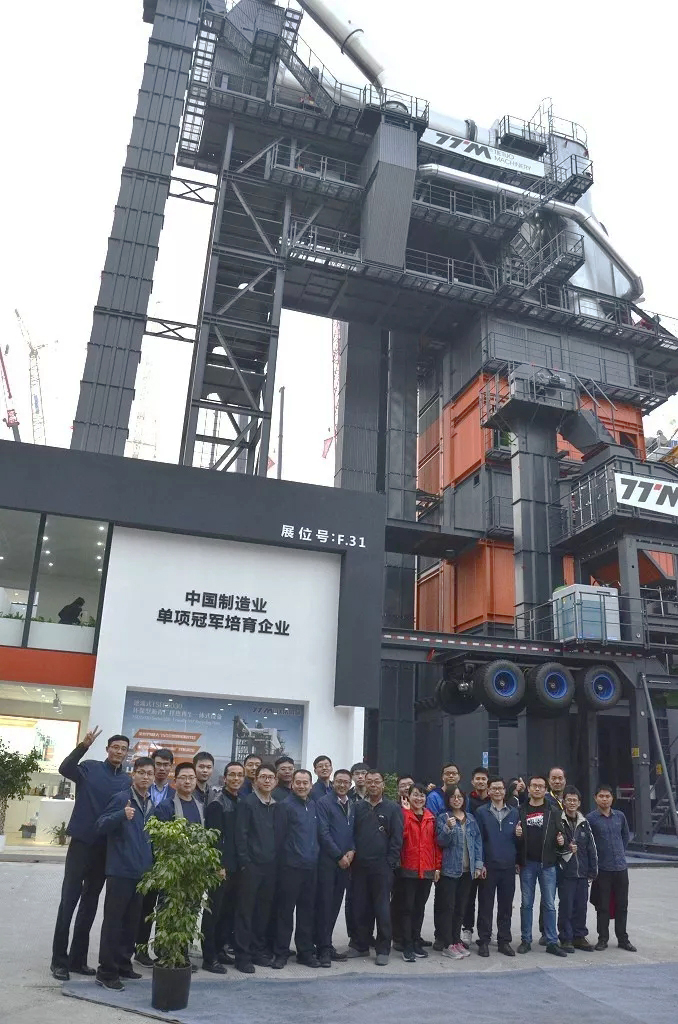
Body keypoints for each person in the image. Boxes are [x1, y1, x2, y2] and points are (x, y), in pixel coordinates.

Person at [50, 728, 131, 982]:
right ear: (107, 749)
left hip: (105, 848)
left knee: (90, 904)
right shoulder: (90, 768)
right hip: (82, 844)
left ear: (126, 754)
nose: (119, 752)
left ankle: (77, 960)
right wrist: (83, 746)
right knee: (69, 902)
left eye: (123, 749)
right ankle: (58, 961)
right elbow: (65, 768)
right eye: (115, 747)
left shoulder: (126, 781)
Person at [94, 757, 156, 991]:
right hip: (120, 871)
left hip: (140, 873)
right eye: (141, 772)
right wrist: (121, 814)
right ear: (133, 774)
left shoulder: (149, 803)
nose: (145, 777)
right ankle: (106, 972)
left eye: (149, 773)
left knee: (131, 923)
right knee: (114, 923)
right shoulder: (122, 799)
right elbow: (100, 825)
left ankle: (123, 964)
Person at [346, 770, 403, 966]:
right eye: (369, 782)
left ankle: (383, 948)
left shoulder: (392, 808)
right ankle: (360, 944)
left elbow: (397, 838)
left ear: (383, 785)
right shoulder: (358, 807)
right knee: (360, 906)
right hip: (360, 865)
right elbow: (351, 833)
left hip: (382, 866)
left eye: (376, 782)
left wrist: (390, 862)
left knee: (382, 908)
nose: (372, 785)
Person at [515, 774, 567, 957]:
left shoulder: (553, 811)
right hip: (527, 864)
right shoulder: (520, 810)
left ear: (546, 790)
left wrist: (562, 840)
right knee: (526, 904)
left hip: (548, 864)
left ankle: (552, 941)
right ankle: (526, 940)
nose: (537, 789)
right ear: (529, 789)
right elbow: (514, 838)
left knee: (549, 904)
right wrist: (517, 835)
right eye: (534, 786)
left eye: (540, 786)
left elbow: (562, 834)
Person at [273, 769, 321, 969]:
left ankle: (305, 952)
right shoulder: (285, 806)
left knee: (306, 912)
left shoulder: (314, 805)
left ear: (311, 785)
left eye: (305, 783)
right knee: (285, 912)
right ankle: (281, 953)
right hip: (290, 868)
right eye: (298, 782)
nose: (301, 786)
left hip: (311, 867)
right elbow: (279, 838)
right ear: (292, 784)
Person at [233, 763, 278, 973]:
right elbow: (240, 835)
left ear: (275, 781)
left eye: (270, 777)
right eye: (263, 777)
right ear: (255, 780)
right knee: (245, 912)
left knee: (263, 912)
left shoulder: (276, 805)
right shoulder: (247, 803)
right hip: (251, 867)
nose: (267, 780)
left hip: (270, 867)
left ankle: (258, 951)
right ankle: (242, 956)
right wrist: (245, 863)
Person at [202, 761, 244, 974]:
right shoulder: (217, 804)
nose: (236, 778)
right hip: (221, 867)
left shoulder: (240, 801)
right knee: (213, 912)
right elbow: (213, 839)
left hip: (236, 866)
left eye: (240, 775)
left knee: (228, 911)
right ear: (225, 778)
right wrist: (218, 865)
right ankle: (209, 957)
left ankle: (220, 949)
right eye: (232, 775)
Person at [135, 747, 175, 964]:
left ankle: (162, 949)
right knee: (145, 906)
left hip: (167, 858)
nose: (161, 768)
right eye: (158, 764)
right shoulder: (140, 789)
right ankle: (139, 949)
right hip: (143, 854)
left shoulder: (175, 794)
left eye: (166, 765)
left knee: (165, 906)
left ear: (171, 767)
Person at [586, 785, 636, 952]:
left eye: (607, 796)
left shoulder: (620, 816)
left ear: (612, 798)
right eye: (601, 796)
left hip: (620, 868)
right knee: (603, 906)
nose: (604, 799)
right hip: (602, 869)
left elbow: (625, 836)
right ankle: (603, 939)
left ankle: (623, 939)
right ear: (595, 798)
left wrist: (619, 853)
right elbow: (588, 843)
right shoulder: (591, 819)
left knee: (622, 905)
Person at [436, 785, 483, 960]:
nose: (456, 800)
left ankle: (456, 941)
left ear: (464, 800)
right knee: (448, 908)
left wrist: (478, 865)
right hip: (449, 870)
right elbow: (440, 842)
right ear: (448, 800)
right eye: (453, 797)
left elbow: (477, 842)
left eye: (460, 797)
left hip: (467, 871)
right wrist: (447, 828)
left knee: (461, 908)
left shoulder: (470, 818)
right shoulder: (443, 818)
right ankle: (447, 943)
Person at [475, 778, 519, 957]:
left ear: (505, 791)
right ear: (489, 791)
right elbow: (478, 839)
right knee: (486, 905)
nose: (498, 791)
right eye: (494, 788)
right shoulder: (481, 812)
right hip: (489, 866)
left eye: (500, 788)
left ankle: (504, 941)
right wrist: (481, 863)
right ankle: (484, 940)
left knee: (506, 906)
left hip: (508, 866)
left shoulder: (514, 813)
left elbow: (519, 840)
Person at [397, 784, 440, 963]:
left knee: (419, 908)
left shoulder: (431, 817)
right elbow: (402, 836)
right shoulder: (403, 815)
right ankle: (406, 944)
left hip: (427, 869)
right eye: (415, 795)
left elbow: (436, 844)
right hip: (409, 868)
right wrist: (406, 812)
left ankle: (416, 940)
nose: (419, 798)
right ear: (408, 796)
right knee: (407, 908)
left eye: (422, 795)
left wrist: (437, 867)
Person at [315, 770, 354, 966]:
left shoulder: (351, 803)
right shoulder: (324, 802)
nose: (342, 785)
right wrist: (339, 856)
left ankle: (327, 944)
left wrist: (352, 850)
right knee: (325, 906)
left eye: (346, 782)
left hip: (345, 863)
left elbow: (352, 831)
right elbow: (323, 833)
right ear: (333, 782)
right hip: (328, 863)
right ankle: (322, 949)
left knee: (335, 905)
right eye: (339, 781)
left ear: (350, 784)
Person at [557, 785, 598, 952]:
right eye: (569, 800)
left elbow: (591, 848)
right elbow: (553, 846)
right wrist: (565, 847)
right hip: (566, 873)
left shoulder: (584, 823)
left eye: (575, 800)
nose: (572, 803)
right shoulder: (558, 821)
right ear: (563, 801)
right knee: (566, 907)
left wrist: (593, 870)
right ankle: (566, 938)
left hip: (582, 873)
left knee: (581, 906)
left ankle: (579, 936)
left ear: (579, 803)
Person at [426, 763, 462, 951]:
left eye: (454, 773)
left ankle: (455, 937)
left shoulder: (461, 797)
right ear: (442, 776)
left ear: (459, 776)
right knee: (443, 901)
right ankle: (441, 937)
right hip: (440, 853)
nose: (451, 776)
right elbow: (432, 827)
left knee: (457, 903)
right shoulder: (433, 797)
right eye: (448, 773)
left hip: (460, 859)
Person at [461, 767, 491, 946]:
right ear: (472, 781)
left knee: (486, 898)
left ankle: (485, 932)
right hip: (470, 854)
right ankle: (467, 929)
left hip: (489, 854)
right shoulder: (466, 800)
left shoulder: (493, 800)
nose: (480, 781)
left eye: (483, 779)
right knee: (469, 896)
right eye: (477, 779)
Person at [391, 774, 417, 950]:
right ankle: (397, 936)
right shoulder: (394, 808)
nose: (406, 788)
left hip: (416, 863)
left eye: (410, 785)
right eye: (403, 785)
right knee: (399, 900)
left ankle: (413, 935)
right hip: (399, 862)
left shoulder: (422, 807)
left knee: (414, 902)